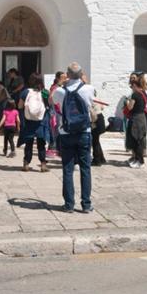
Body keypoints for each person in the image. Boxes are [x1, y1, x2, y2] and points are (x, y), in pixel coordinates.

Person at [51, 62, 95, 212]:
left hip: (66, 133)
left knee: (68, 169)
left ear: (67, 75)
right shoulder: (89, 89)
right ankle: (86, 204)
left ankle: (69, 204)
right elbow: (92, 101)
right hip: (84, 132)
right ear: (81, 74)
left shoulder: (59, 91)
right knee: (85, 169)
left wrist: (63, 83)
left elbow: (52, 100)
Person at [18, 73, 48, 172]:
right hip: (40, 122)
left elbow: (20, 106)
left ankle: (26, 163)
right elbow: (49, 105)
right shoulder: (44, 92)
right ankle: (43, 164)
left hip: (29, 122)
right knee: (41, 144)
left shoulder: (25, 92)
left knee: (29, 144)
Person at [124, 75, 147, 168]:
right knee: (138, 139)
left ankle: (140, 161)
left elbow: (130, 107)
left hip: (136, 118)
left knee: (136, 140)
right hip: (142, 117)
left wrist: (127, 103)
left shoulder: (135, 94)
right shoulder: (144, 93)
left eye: (132, 86)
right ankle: (136, 159)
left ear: (135, 85)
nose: (131, 88)